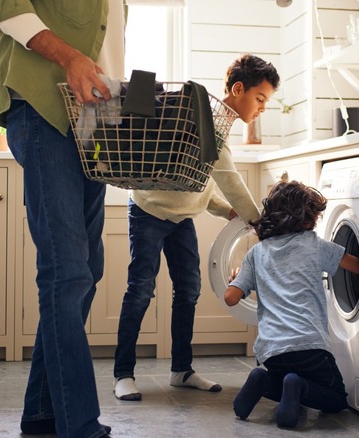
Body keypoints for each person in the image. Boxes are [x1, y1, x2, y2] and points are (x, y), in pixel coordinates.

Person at [0, 1, 126, 436]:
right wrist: (70, 57)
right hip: (43, 110)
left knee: (86, 269)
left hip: (92, 122)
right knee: (66, 271)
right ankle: (79, 426)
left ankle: (43, 412)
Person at [112, 54, 281, 401]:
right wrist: (257, 221)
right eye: (260, 99)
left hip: (181, 217)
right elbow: (228, 177)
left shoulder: (219, 125)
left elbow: (199, 182)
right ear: (238, 89)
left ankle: (181, 370)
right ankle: (123, 374)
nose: (262, 108)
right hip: (149, 210)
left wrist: (225, 211)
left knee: (188, 290)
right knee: (141, 289)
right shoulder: (208, 119)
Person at [224, 180, 359, 428]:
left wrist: (238, 280)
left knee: (283, 377)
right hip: (310, 347)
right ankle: (296, 386)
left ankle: (262, 381)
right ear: (307, 220)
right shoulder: (314, 245)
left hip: (272, 352)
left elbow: (231, 298)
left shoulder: (256, 253)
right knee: (336, 399)